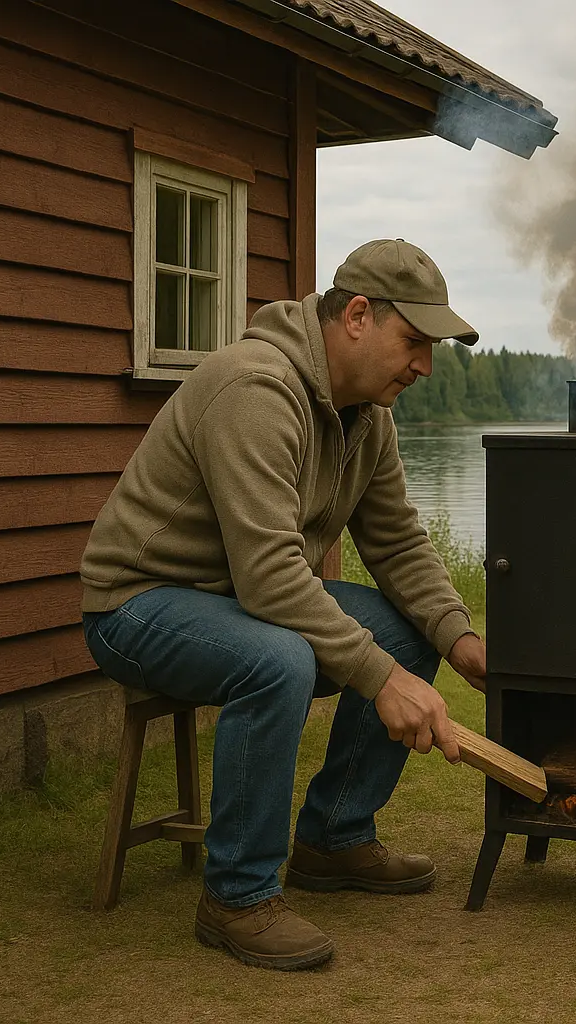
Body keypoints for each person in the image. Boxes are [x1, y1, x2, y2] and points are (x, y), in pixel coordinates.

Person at [80, 238, 487, 971]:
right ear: (358, 315)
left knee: (405, 633)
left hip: (236, 597)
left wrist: (460, 638)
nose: (425, 366)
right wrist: (380, 681)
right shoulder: (256, 388)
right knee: (280, 659)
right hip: (138, 603)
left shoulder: (369, 417)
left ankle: (333, 839)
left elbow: (396, 543)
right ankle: (236, 894)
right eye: (416, 342)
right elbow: (271, 575)